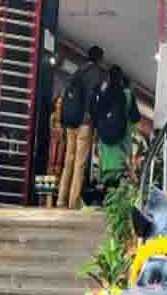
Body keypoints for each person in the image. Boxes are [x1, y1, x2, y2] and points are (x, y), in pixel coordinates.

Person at [58, 45, 107, 209]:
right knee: (79, 164)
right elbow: (96, 98)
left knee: (68, 160)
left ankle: (61, 199)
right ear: (99, 59)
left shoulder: (79, 70)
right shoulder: (98, 73)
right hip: (85, 123)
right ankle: (73, 202)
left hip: (71, 120)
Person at [93, 65, 139, 198]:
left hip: (105, 141)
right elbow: (135, 117)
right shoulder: (128, 95)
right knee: (121, 174)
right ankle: (117, 204)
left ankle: (106, 201)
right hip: (122, 140)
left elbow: (97, 115)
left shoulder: (103, 93)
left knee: (106, 174)